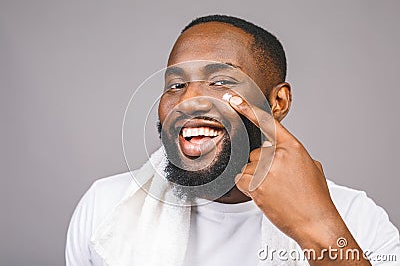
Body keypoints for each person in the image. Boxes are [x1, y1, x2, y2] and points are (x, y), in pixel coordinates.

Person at [66, 15, 400, 266]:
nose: (188, 101)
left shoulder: (354, 217)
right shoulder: (106, 208)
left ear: (278, 102)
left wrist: (317, 228)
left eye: (222, 81)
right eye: (175, 85)